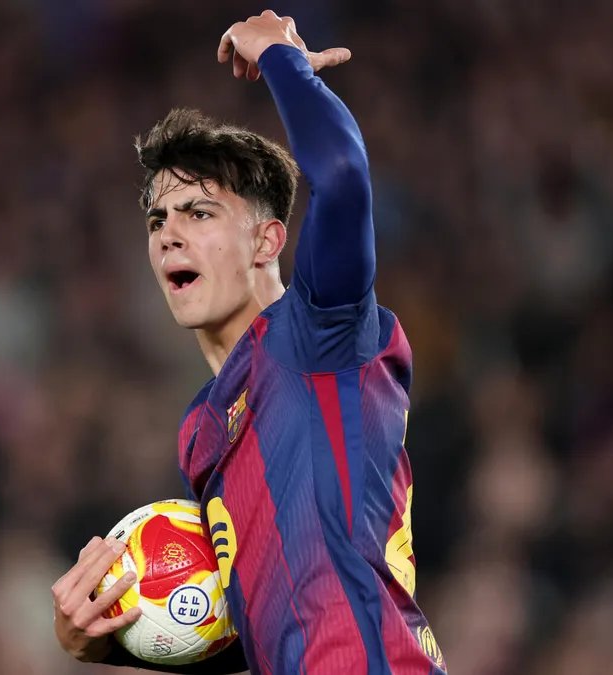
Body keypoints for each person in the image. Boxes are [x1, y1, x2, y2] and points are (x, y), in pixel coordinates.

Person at [52, 11, 446, 674]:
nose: (168, 234)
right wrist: (108, 640)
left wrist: (280, 60)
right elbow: (266, 625)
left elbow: (342, 175)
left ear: (267, 241)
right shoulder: (201, 429)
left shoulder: (317, 333)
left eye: (199, 212)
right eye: (157, 219)